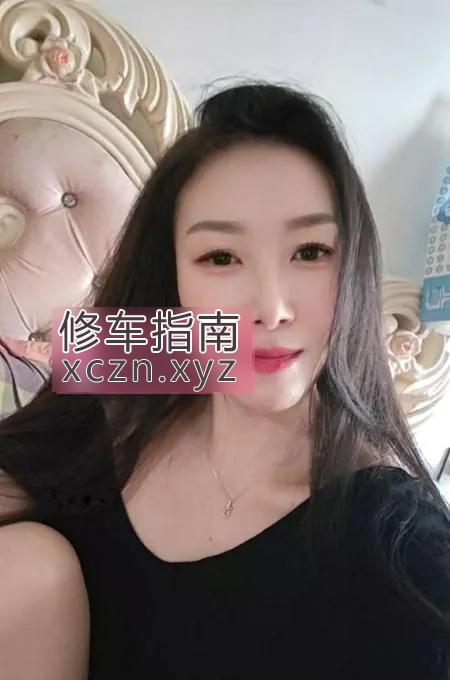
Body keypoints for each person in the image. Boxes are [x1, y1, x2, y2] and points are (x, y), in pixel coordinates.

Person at [0, 80, 449, 680]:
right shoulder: (138, 368)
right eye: (220, 257)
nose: (271, 308)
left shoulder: (397, 541)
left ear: (355, 267)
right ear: (174, 275)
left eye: (310, 251)